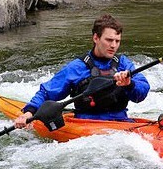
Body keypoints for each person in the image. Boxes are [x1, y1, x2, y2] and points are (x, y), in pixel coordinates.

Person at [15, 14, 150, 128]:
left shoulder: (123, 64)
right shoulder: (77, 67)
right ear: (96, 38)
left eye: (117, 41)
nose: (113, 45)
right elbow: (47, 92)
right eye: (109, 40)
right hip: (86, 124)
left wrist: (129, 84)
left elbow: (142, 92)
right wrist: (29, 112)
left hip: (120, 122)